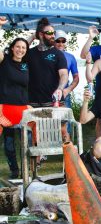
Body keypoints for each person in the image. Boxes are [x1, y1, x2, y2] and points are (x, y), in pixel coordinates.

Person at [0, 17, 31, 178]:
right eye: (17, 47)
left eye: (23, 47)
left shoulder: (26, 65)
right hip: (5, 109)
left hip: (23, 109)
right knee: (9, 143)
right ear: (12, 48)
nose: (20, 49)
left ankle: (30, 169)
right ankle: (14, 170)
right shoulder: (4, 61)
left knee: (28, 141)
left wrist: (29, 106)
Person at [26, 18, 68, 108]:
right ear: (41, 34)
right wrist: (33, 36)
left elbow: (64, 74)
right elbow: (20, 48)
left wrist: (60, 89)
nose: (53, 35)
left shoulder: (58, 54)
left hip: (54, 102)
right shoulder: (30, 53)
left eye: (54, 33)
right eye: (49, 33)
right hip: (32, 103)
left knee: (59, 123)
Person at [54, 30, 79, 110]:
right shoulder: (48, 54)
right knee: (48, 119)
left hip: (64, 93)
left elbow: (76, 77)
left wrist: (68, 90)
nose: (61, 44)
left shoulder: (70, 57)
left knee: (65, 120)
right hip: (47, 92)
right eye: (58, 41)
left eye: (63, 41)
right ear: (53, 42)